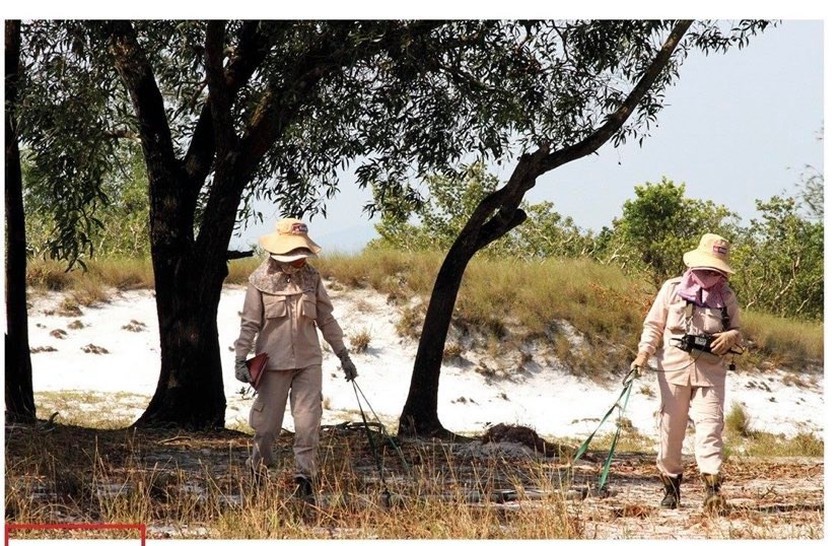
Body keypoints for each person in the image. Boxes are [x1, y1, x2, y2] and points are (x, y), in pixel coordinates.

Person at [233, 218, 358, 501]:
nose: (299, 260)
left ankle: (305, 480)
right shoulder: (259, 281)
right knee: (266, 428)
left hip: (308, 363)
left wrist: (344, 355)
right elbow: (250, 324)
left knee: (307, 424)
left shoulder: (312, 279)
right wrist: (240, 358)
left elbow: (326, 319)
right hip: (273, 365)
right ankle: (257, 471)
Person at [630, 233, 742, 513]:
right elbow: (654, 325)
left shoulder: (726, 295)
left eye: (717, 268)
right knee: (671, 429)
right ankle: (671, 487)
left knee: (710, 427)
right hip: (673, 367)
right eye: (707, 266)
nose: (711, 273)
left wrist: (730, 336)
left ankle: (713, 491)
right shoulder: (672, 288)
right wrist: (643, 354)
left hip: (711, 371)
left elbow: (738, 332)